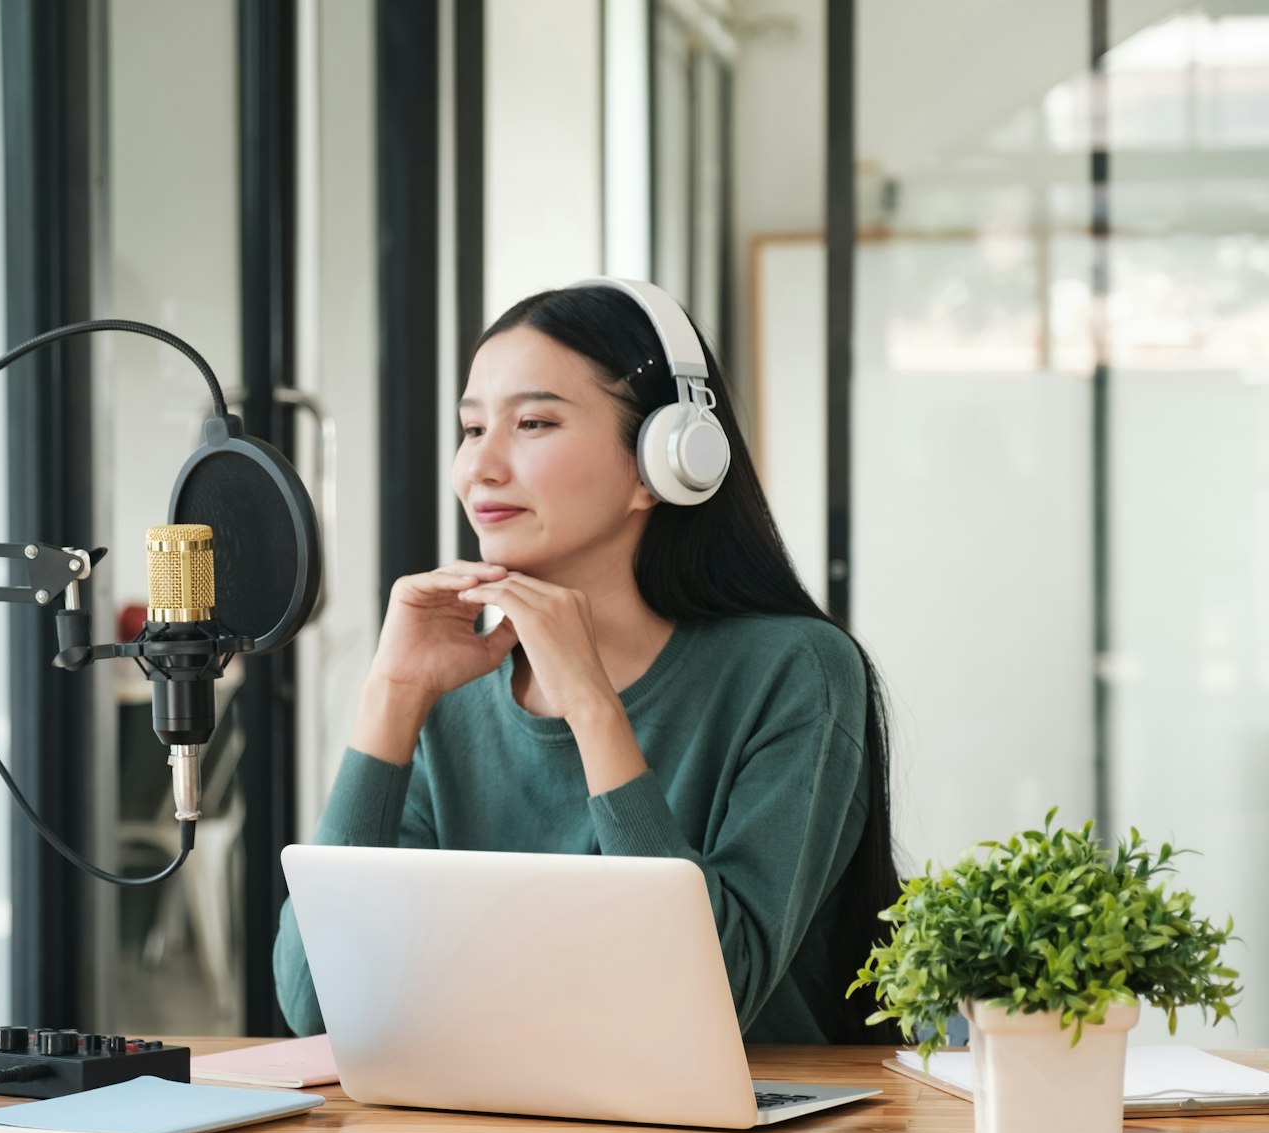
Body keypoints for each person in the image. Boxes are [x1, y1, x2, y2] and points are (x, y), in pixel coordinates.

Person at [273, 279, 897, 1044]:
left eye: (532, 422)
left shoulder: (793, 671)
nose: (480, 468)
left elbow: (710, 1002)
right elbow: (315, 1004)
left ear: (664, 459)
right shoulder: (449, 690)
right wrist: (391, 696)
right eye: (471, 429)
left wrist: (595, 711)